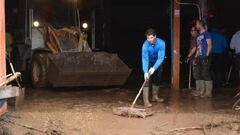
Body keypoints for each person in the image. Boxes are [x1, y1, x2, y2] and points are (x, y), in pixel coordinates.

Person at [141, 28, 165, 107]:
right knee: (147, 79)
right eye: (148, 38)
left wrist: (154, 68)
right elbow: (145, 58)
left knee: (158, 77)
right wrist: (145, 71)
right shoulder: (145, 45)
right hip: (149, 61)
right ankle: (146, 101)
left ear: (155, 36)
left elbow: (161, 57)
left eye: (151, 38)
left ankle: (155, 96)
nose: (149, 40)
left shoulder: (161, 43)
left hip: (157, 62)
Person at [192, 20, 213, 98]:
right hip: (200, 56)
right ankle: (202, 91)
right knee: (201, 73)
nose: (196, 26)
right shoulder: (198, 36)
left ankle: (208, 93)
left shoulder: (207, 34)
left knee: (206, 73)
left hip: (205, 56)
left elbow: (210, 45)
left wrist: (207, 56)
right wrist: (196, 57)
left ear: (201, 25)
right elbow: (198, 47)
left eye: (197, 24)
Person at [187, 26, 198, 94]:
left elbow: (194, 48)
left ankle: (198, 90)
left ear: (196, 31)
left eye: (193, 30)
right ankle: (198, 89)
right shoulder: (192, 38)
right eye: (191, 31)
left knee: (197, 74)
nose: (191, 32)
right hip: (193, 58)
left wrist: (189, 55)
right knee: (195, 74)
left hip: (196, 58)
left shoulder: (196, 38)